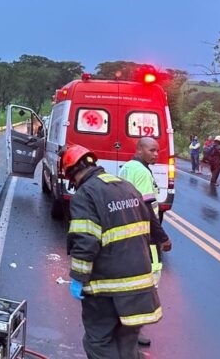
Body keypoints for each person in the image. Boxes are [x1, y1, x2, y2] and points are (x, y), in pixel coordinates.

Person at [64, 144, 163, 359]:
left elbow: (85, 241)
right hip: (140, 287)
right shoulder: (126, 187)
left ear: (73, 173)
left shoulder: (85, 194)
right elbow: (150, 222)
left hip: (106, 290)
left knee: (98, 342)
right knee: (126, 344)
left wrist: (78, 279)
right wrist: (163, 239)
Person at [118, 137, 172, 348]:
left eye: (157, 151)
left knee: (132, 283)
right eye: (151, 150)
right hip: (145, 236)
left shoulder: (128, 168)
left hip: (131, 232)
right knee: (147, 284)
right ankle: (131, 332)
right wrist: (162, 237)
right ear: (139, 149)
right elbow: (148, 209)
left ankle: (125, 328)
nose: (155, 154)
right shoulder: (141, 172)